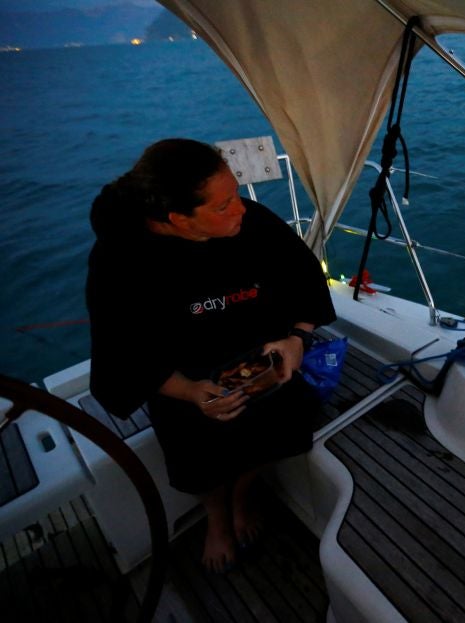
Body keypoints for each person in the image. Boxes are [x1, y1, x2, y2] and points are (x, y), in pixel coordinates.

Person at [86, 138, 336, 573]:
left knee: (271, 436)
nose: (240, 209)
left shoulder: (253, 223)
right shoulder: (118, 260)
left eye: (235, 193)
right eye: (223, 206)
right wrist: (190, 391)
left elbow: (304, 282)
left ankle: (242, 498)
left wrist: (296, 338)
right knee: (201, 459)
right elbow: (120, 352)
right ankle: (217, 518)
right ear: (177, 219)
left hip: (266, 366)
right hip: (186, 385)